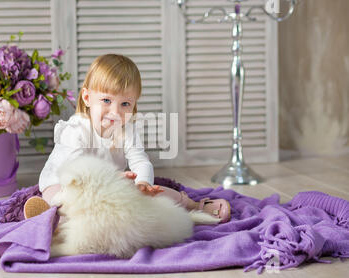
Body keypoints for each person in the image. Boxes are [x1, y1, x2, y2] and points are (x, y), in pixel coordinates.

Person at [23, 54, 230, 223]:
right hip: (67, 183)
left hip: (111, 185)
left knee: (154, 193)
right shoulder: (76, 130)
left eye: (125, 104)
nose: (115, 112)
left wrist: (143, 183)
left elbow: (140, 160)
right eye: (106, 100)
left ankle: (191, 205)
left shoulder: (127, 130)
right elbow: (75, 174)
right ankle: (51, 219)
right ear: (87, 98)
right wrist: (106, 182)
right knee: (60, 198)